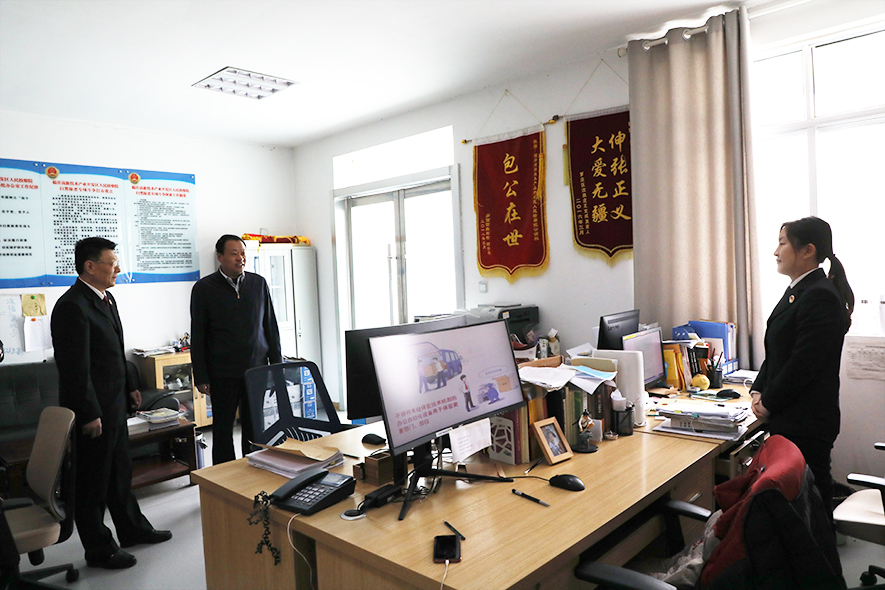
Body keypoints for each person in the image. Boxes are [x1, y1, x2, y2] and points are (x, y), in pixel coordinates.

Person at [50, 237, 172, 570]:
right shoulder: (72, 306)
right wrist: (89, 413)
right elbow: (74, 369)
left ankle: (132, 529)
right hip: (93, 410)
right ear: (90, 266)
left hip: (114, 402)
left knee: (120, 471)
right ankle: (99, 549)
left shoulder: (106, 298)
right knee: (93, 481)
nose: (118, 269)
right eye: (112, 263)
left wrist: (131, 386)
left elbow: (114, 350)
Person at [750, 216, 854, 515]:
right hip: (792, 416)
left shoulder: (819, 294)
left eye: (782, 243)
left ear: (808, 250)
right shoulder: (801, 289)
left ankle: (822, 547)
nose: (776, 252)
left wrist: (768, 402)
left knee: (811, 506)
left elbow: (803, 364)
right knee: (797, 505)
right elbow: (778, 350)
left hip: (806, 421)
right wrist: (758, 390)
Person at [190, 234, 282, 464]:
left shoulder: (258, 283)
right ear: (220, 257)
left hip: (256, 370)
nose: (240, 258)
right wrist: (201, 375)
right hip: (223, 373)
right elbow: (198, 335)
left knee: (254, 428)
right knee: (223, 429)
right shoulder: (204, 288)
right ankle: (224, 476)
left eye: (243, 253)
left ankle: (255, 469)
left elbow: (270, 326)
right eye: (234, 254)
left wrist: (277, 366)